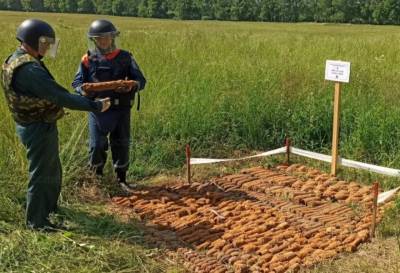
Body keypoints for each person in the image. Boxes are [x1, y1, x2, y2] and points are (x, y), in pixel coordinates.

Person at [0, 19, 111, 231]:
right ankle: (37, 223)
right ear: (34, 40)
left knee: (51, 169)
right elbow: (60, 96)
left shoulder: (16, 59)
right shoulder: (29, 69)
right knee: (41, 174)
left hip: (33, 122)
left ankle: (49, 209)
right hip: (37, 126)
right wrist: (94, 105)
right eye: (45, 42)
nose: (48, 47)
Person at [72, 19, 146, 188]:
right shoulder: (87, 59)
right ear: (94, 40)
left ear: (113, 37)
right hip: (98, 108)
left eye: (106, 37)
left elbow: (141, 80)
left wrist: (131, 86)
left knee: (121, 143)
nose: (103, 41)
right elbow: (77, 83)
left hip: (121, 108)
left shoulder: (126, 57)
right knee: (96, 145)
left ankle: (121, 180)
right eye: (99, 38)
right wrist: (84, 91)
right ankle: (96, 181)